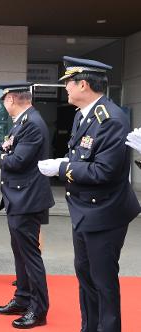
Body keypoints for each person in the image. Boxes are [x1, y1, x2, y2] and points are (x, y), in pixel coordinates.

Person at [38, 56, 141, 332]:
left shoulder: (111, 119)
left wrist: (62, 167)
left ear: (83, 84)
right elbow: (81, 158)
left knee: (103, 280)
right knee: (85, 276)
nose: (66, 89)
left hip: (105, 212)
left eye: (69, 83)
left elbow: (102, 172)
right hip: (83, 211)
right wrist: (67, 164)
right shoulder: (82, 116)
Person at [0, 82, 53, 329]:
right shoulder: (23, 122)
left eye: (5, 99)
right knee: (20, 254)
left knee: (30, 256)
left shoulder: (32, 124)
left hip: (27, 199)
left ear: (12, 100)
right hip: (18, 197)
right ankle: (22, 298)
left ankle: (38, 310)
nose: (4, 104)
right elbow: (12, 154)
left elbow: (17, 160)